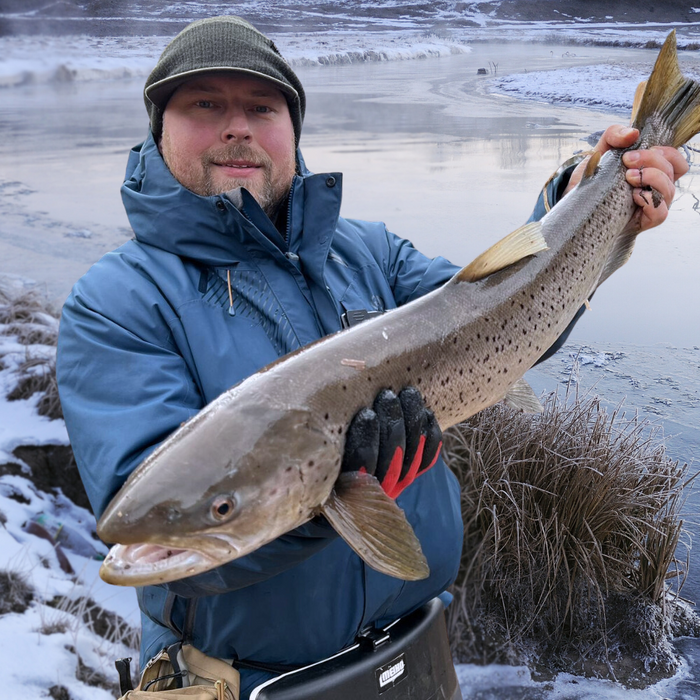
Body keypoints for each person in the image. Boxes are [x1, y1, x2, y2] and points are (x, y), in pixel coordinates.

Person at [56, 15, 688, 699]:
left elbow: (506, 311)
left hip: (418, 655)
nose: (236, 126)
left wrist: (588, 195)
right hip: (248, 685)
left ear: (293, 129)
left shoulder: (369, 252)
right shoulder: (115, 302)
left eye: (261, 107)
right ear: (159, 130)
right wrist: (327, 493)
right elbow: (164, 524)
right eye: (205, 104)